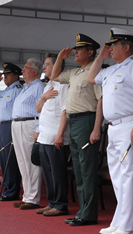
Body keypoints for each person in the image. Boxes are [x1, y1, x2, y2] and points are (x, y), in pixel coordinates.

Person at [86, 28, 133, 234]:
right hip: (113, 127)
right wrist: (100, 57)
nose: (110, 49)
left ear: (126, 47)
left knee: (129, 176)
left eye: (113, 45)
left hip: (130, 124)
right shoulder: (110, 70)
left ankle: (129, 226)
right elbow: (90, 78)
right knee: (117, 177)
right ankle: (119, 221)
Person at [50, 33, 103, 226]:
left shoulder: (94, 71)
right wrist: (59, 59)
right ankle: (82, 211)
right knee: (79, 170)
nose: (75, 52)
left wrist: (97, 128)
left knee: (87, 170)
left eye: (79, 49)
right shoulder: (75, 72)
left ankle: (88, 214)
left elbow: (100, 101)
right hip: (74, 122)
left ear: (90, 52)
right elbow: (54, 76)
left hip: (86, 121)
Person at [35, 53, 70, 216]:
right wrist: (43, 96)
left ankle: (61, 204)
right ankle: (52, 202)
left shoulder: (63, 85)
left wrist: (60, 134)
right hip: (44, 136)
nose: (44, 67)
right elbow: (38, 108)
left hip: (55, 136)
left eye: (47, 64)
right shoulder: (47, 85)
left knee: (57, 172)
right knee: (48, 173)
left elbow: (65, 111)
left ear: (57, 66)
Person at [11, 58, 45, 210]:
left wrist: (38, 129)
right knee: (22, 162)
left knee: (31, 162)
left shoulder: (39, 87)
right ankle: (27, 195)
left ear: (35, 71)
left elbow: (42, 110)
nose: (22, 71)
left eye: (25, 68)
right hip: (18, 124)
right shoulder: (25, 87)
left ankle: (33, 198)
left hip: (29, 123)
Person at [0, 62, 23, 201]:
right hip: (2, 126)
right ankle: (8, 188)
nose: (5, 77)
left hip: (11, 125)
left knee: (11, 159)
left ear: (16, 75)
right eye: (4, 75)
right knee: (4, 158)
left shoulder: (18, 89)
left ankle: (12, 191)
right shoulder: (5, 91)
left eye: (8, 74)